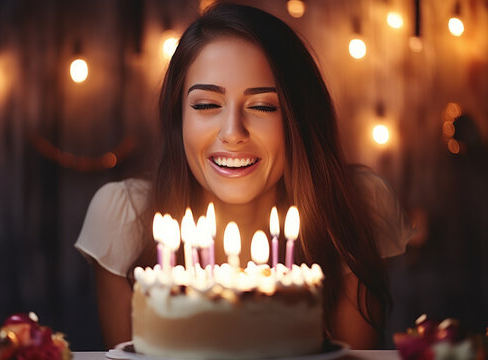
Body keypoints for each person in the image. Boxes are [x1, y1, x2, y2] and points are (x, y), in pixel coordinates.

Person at [75, 3, 413, 350]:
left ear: (300, 118)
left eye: (263, 106)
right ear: (178, 120)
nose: (233, 132)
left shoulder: (360, 203)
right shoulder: (124, 215)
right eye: (206, 105)